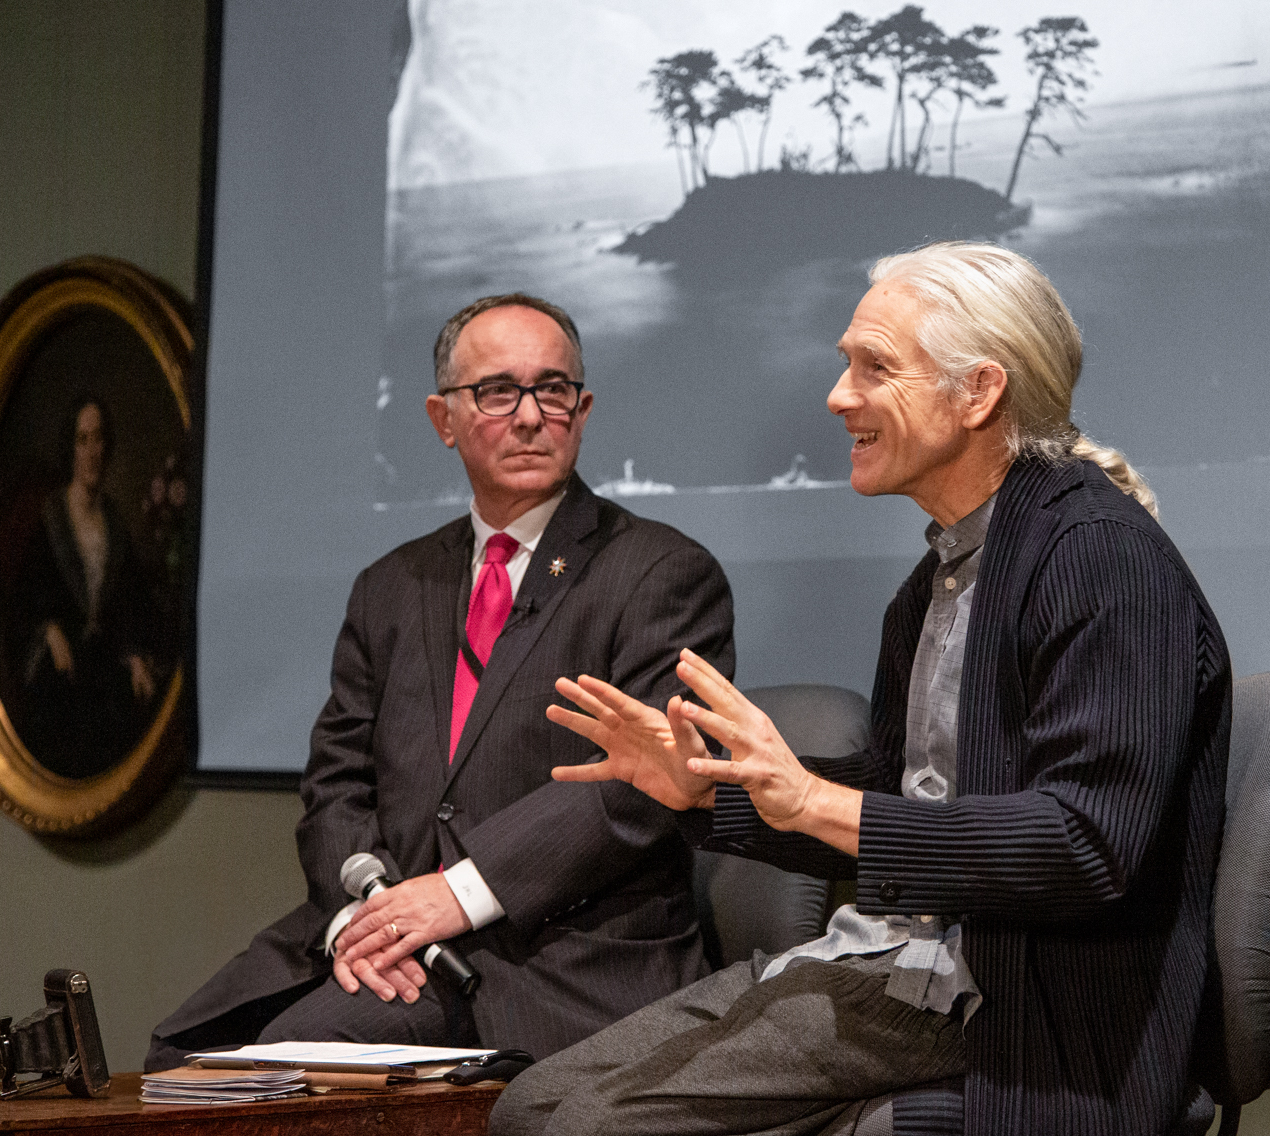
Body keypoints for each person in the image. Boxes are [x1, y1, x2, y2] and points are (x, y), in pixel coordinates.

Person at [492, 244, 1230, 1136]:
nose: (839, 396)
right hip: (890, 959)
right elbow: (903, 794)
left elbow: (1084, 844)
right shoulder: (937, 581)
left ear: (979, 392)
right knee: (529, 1107)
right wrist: (710, 791)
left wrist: (811, 801)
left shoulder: (1098, 558)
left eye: (874, 367)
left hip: (1009, 1004)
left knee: (581, 1128)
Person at [146, 293, 735, 1069]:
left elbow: (641, 786)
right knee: (179, 1058)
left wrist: (456, 894)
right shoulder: (391, 585)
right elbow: (336, 783)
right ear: (442, 419)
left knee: (282, 1068)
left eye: (553, 390)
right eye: (498, 392)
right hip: (400, 939)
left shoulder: (662, 573)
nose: (531, 417)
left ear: (583, 410)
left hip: (564, 955)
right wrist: (365, 916)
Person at [18, 397, 160, 780]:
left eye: (98, 439)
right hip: (60, 666)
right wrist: (50, 630)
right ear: (71, 449)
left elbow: (131, 602)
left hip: (103, 665)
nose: (92, 451)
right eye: (82, 440)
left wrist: (135, 656)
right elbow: (28, 595)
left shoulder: (114, 523)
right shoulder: (52, 518)